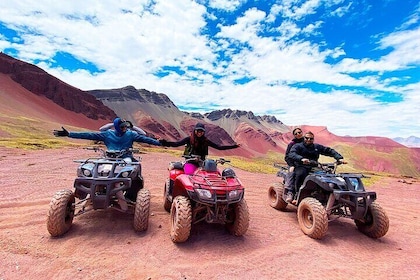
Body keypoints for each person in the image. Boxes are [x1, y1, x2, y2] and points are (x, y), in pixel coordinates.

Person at [53, 117, 162, 209]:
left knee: (131, 171)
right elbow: (88, 135)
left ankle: (130, 196)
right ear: (117, 127)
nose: (124, 128)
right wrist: (69, 134)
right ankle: (88, 194)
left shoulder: (130, 134)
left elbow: (146, 139)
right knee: (92, 171)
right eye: (122, 126)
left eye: (125, 126)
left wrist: (159, 143)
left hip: (125, 158)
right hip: (108, 158)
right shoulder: (107, 134)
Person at [288, 131, 345, 203]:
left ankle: (324, 193)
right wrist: (301, 159)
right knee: (300, 174)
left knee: (326, 175)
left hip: (314, 166)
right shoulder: (297, 146)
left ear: (313, 139)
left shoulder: (316, 147)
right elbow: (292, 154)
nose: (308, 140)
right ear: (304, 138)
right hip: (301, 165)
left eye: (311, 139)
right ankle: (296, 195)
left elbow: (328, 151)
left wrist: (339, 158)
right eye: (306, 138)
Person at [159, 122, 240, 174]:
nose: (200, 133)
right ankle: (178, 164)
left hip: (203, 163)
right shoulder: (189, 139)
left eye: (201, 131)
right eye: (198, 131)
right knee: (190, 174)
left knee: (214, 174)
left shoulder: (205, 141)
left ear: (203, 132)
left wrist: (234, 146)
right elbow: (176, 144)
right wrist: (165, 142)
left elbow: (219, 147)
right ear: (195, 131)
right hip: (190, 162)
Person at [283, 128, 304, 202]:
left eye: (299, 132)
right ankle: (290, 192)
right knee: (292, 173)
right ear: (294, 135)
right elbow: (287, 156)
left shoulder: (307, 142)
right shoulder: (292, 144)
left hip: (305, 164)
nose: (298, 134)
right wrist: (291, 165)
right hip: (294, 164)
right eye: (296, 133)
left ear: (302, 132)